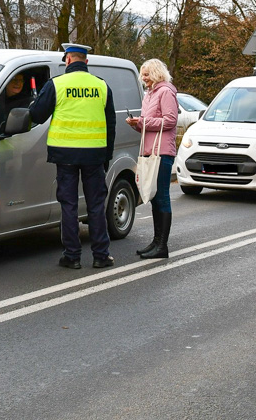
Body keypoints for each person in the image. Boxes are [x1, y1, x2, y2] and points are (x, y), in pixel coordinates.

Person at [29, 43, 116, 270]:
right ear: (85, 62)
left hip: (65, 154)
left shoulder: (56, 84)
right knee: (96, 204)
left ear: (67, 60)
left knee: (69, 205)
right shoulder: (101, 86)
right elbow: (111, 124)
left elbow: (36, 115)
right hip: (95, 155)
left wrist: (34, 101)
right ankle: (100, 255)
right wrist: (107, 156)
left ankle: (72, 256)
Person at [125, 59, 178, 259]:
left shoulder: (165, 91)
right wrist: (137, 124)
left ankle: (162, 245)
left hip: (162, 151)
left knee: (162, 196)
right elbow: (151, 123)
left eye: (146, 74)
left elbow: (170, 121)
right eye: (142, 74)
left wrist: (144, 121)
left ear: (156, 73)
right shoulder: (150, 94)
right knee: (155, 196)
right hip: (150, 150)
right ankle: (156, 242)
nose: (143, 78)